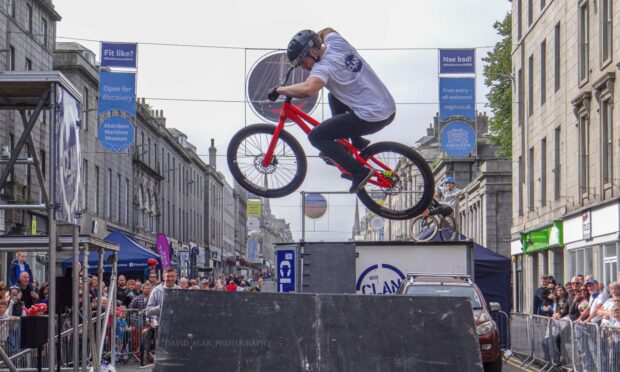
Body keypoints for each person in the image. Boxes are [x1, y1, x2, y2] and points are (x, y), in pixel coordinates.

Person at [269, 28, 396, 193]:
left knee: (316, 136)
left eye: (303, 62)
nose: (304, 68)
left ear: (313, 52)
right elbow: (328, 30)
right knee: (334, 96)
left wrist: (280, 90)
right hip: (387, 107)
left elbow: (308, 89)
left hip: (371, 116)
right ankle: (354, 141)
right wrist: (313, 38)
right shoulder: (336, 43)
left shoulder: (323, 68)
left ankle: (359, 172)